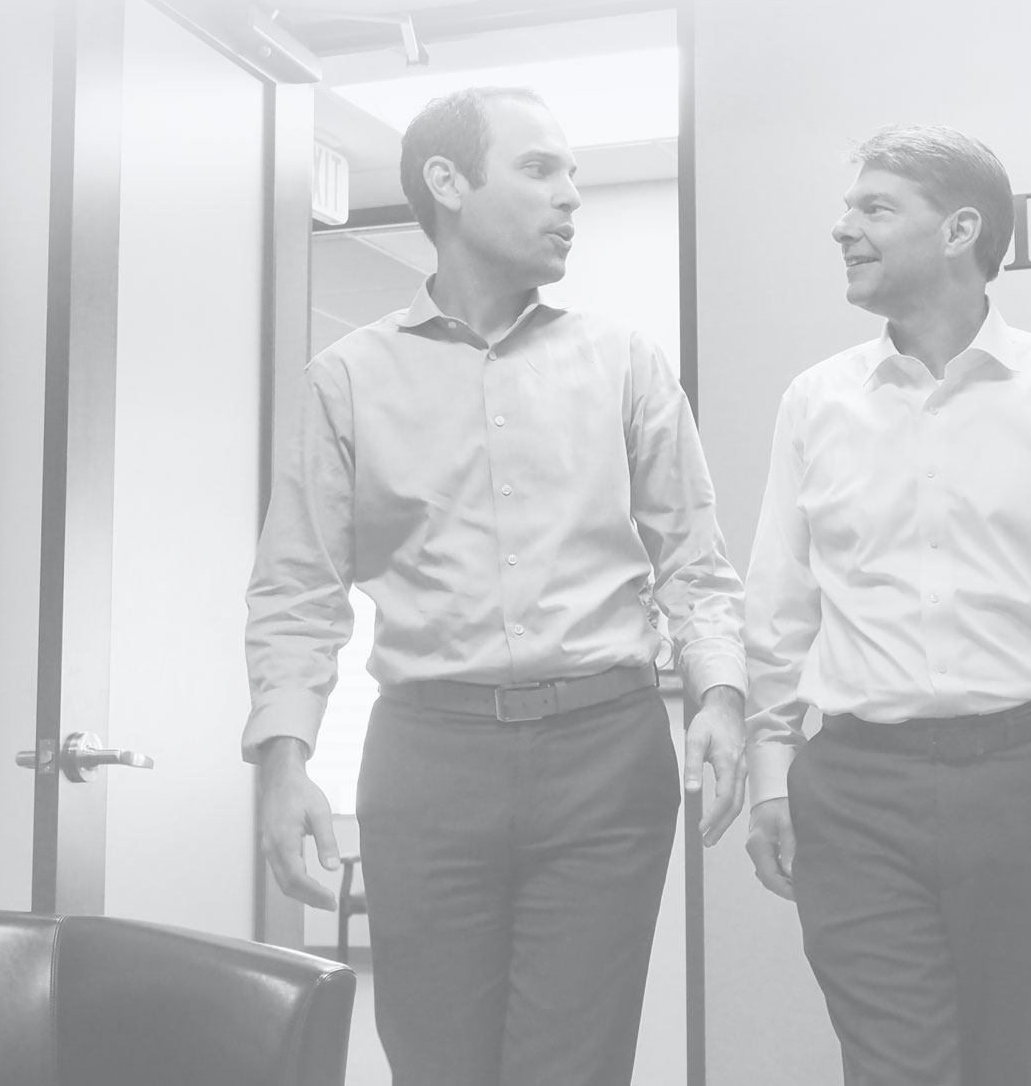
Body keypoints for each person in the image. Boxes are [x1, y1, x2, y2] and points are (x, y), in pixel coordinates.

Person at [243, 86, 747, 1086]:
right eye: (541, 169)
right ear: (448, 183)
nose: (570, 196)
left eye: (574, 175)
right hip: (431, 756)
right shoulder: (347, 378)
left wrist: (722, 696)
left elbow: (694, 559)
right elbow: (299, 586)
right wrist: (282, 761)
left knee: (573, 1064)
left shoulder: (623, 363)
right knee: (436, 1063)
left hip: (604, 752)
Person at [743, 124, 1031, 1086]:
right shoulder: (815, 402)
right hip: (857, 790)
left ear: (961, 229)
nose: (844, 229)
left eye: (875, 208)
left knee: (1030, 1066)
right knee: (896, 1070)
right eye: (848, 208)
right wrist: (771, 773)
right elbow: (779, 605)